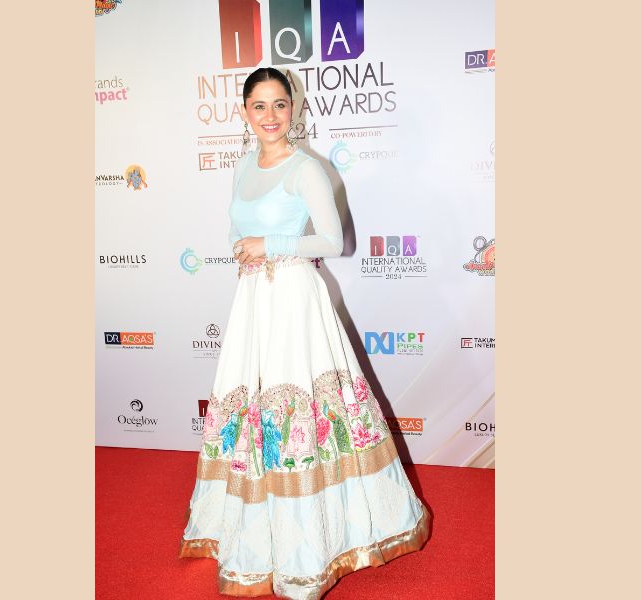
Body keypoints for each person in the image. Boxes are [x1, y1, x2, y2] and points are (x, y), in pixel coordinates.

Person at [179, 67, 430, 599]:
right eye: (259, 106)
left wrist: (270, 247)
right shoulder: (242, 166)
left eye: (279, 104)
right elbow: (235, 228)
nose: (270, 116)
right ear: (244, 112)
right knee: (254, 410)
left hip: (294, 298)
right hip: (254, 299)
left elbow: (333, 242)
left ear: (292, 109)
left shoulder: (306, 169)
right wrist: (244, 249)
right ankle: (254, 538)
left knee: (294, 412)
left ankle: (309, 548)